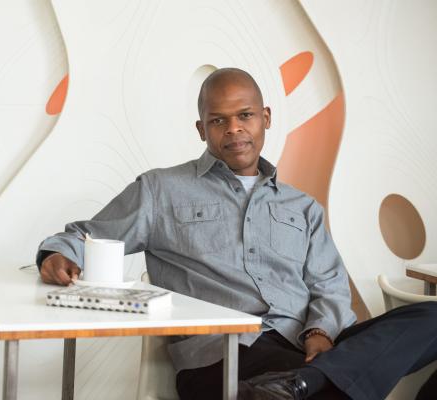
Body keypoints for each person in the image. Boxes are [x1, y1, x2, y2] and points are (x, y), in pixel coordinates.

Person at [37, 68, 437, 400]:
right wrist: (56, 255)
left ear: (265, 116)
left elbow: (329, 287)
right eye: (218, 120)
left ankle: (305, 382)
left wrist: (318, 333)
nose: (233, 129)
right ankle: (312, 382)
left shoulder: (302, 207)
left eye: (244, 115)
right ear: (201, 129)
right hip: (223, 354)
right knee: (342, 384)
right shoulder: (160, 190)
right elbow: (88, 235)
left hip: (306, 346)